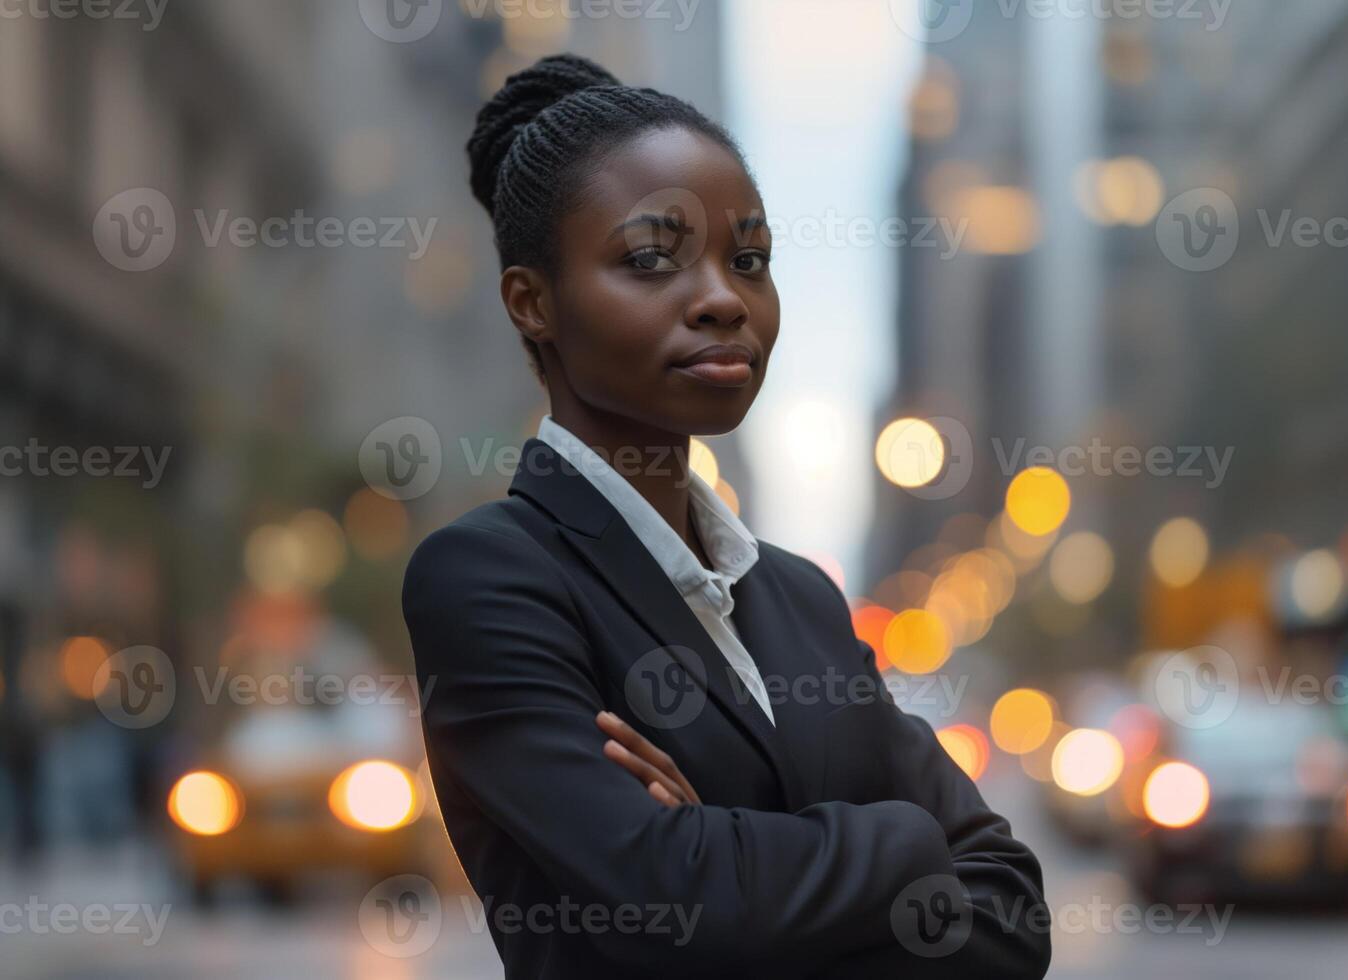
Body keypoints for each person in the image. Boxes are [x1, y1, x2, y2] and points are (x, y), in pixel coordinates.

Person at [401, 52, 1050, 979]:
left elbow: (1012, 911)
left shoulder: (801, 600)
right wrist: (907, 842)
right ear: (533, 302)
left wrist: (727, 849)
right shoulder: (491, 581)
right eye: (651, 260)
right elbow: (680, 902)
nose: (721, 299)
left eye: (748, 259)